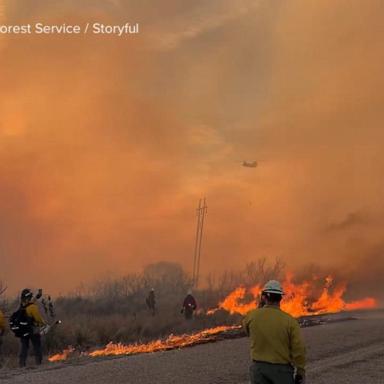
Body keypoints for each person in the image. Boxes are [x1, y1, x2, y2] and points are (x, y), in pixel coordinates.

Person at [243, 280, 306, 384]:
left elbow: (248, 331)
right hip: (281, 372)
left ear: (263, 297)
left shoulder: (251, 316)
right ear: (281, 298)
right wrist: (300, 370)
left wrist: (260, 308)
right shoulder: (290, 321)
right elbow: (298, 348)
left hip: (259, 370)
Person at [18, 288, 46, 367]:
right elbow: (38, 318)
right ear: (29, 296)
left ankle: (22, 364)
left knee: (24, 347)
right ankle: (38, 363)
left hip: (23, 330)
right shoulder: (33, 307)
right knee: (37, 346)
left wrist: (37, 296)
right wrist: (43, 323)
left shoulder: (21, 306)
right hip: (33, 329)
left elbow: (30, 302)